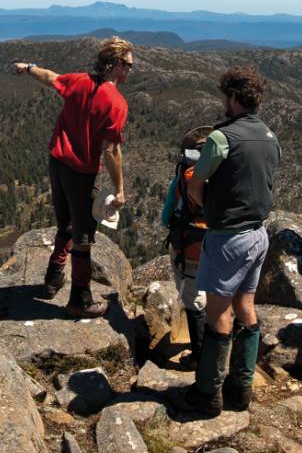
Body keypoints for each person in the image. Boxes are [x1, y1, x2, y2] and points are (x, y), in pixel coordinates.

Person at [180, 66, 280, 416]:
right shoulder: (269, 136)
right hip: (258, 234)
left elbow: (195, 185)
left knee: (218, 314)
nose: (224, 101)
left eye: (226, 96)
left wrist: (206, 204)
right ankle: (242, 388)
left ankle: (208, 393)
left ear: (234, 97)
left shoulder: (221, 138)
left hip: (227, 237)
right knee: (246, 307)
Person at [13, 36, 131, 318]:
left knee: (64, 223)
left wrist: (28, 67)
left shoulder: (78, 81)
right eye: (127, 65)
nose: (130, 70)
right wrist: (120, 189)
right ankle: (80, 299)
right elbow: (111, 150)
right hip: (81, 173)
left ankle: (53, 279)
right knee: (83, 237)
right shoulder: (116, 102)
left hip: (57, 163)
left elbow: (50, 77)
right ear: (114, 64)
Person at [160, 126, 213, 369]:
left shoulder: (186, 171)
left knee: (193, 298)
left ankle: (199, 356)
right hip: (222, 239)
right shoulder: (225, 169)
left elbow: (167, 212)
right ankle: (217, 345)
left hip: (191, 241)